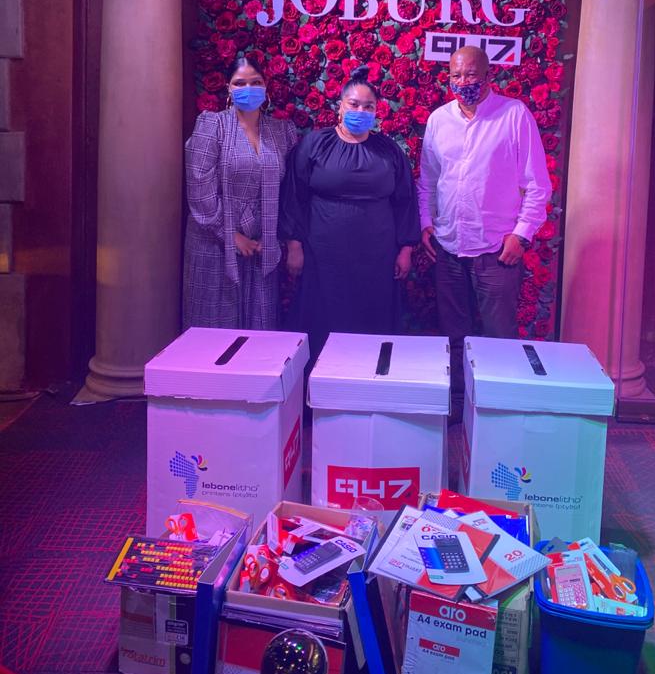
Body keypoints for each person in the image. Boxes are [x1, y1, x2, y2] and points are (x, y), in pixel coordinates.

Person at [417, 44, 552, 414]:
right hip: (447, 248)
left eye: (471, 74)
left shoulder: (514, 115)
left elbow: (537, 184)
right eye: (456, 75)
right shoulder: (439, 120)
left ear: (489, 74)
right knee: (453, 337)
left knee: (498, 337)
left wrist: (521, 234)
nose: (463, 82)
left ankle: (497, 411)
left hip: (496, 250)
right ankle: (458, 408)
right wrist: (426, 223)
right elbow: (428, 180)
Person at [280, 65, 420, 360]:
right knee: (323, 321)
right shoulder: (315, 144)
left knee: (371, 325)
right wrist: (294, 246)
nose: (360, 110)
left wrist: (406, 249)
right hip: (323, 256)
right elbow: (294, 196)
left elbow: (405, 201)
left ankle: (369, 379)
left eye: (368, 106)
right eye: (354, 104)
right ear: (340, 106)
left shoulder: (388, 151)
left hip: (377, 258)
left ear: (377, 111)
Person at [183, 53, 297, 331]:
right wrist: (231, 236)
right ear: (229, 89)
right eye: (240, 83)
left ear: (266, 87)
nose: (248, 89)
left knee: (260, 331)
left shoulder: (282, 131)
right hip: (215, 242)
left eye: (255, 82)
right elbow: (199, 187)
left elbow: (290, 190)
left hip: (262, 246)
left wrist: (274, 237)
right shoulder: (212, 125)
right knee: (215, 329)